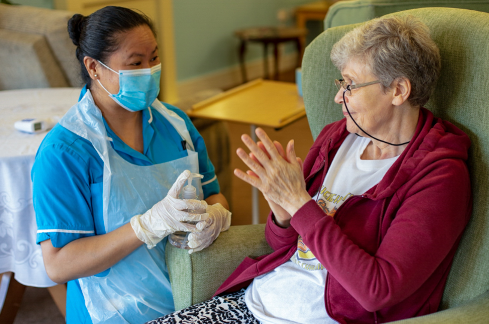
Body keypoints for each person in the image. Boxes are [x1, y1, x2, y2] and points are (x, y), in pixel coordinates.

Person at [148, 15, 472, 324]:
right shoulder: (337, 138)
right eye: (340, 82)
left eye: (351, 85)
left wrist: (301, 204)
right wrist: (283, 214)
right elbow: (282, 245)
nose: (337, 97)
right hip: (254, 301)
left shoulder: (439, 176)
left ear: (399, 90)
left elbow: (377, 291)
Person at [32, 6, 231, 324]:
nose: (150, 70)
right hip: (114, 314)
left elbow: (214, 195)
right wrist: (146, 226)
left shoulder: (176, 124)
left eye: (154, 58)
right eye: (136, 63)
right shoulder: (66, 151)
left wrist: (216, 216)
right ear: (94, 68)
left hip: (192, 301)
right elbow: (58, 264)